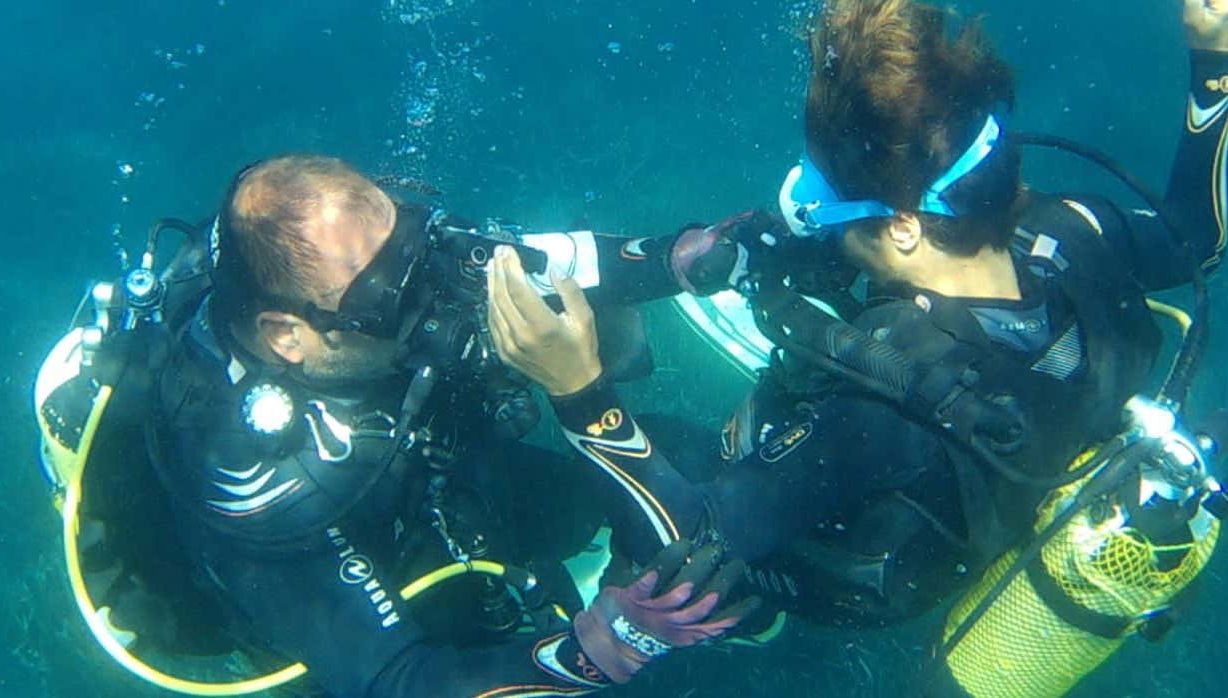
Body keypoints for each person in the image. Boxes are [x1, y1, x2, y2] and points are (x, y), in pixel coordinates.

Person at [486, 0, 1228, 692]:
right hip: (1014, 457)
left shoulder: (878, 407)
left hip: (861, 580)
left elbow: (688, 544)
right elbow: (1200, 237)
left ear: (904, 227)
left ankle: (753, 619)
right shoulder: (1073, 231)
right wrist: (1215, 58)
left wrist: (579, 390)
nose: (812, 215)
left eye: (828, 202)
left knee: (670, 455)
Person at [34, 155, 754, 697]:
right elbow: (397, 677)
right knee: (475, 635)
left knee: (686, 464)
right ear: (287, 334)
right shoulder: (248, 479)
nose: (429, 300)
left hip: (437, 473)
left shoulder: (372, 267)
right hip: (349, 577)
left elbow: (533, 260)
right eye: (389, 301)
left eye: (416, 243)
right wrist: (600, 650)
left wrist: (677, 259)